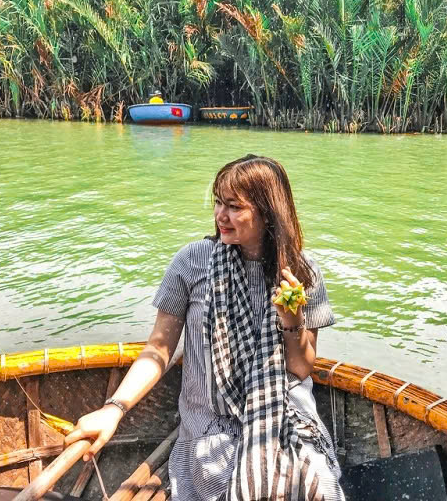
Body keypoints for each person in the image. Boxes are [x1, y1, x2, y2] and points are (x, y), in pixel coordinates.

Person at [65, 155, 345, 501]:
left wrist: (292, 321)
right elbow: (159, 350)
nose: (220, 216)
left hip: (283, 417)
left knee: (312, 479)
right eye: (217, 203)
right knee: (223, 477)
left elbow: (301, 367)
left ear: (268, 212)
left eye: (233, 207)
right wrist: (114, 409)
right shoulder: (192, 261)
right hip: (211, 423)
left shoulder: (302, 273)